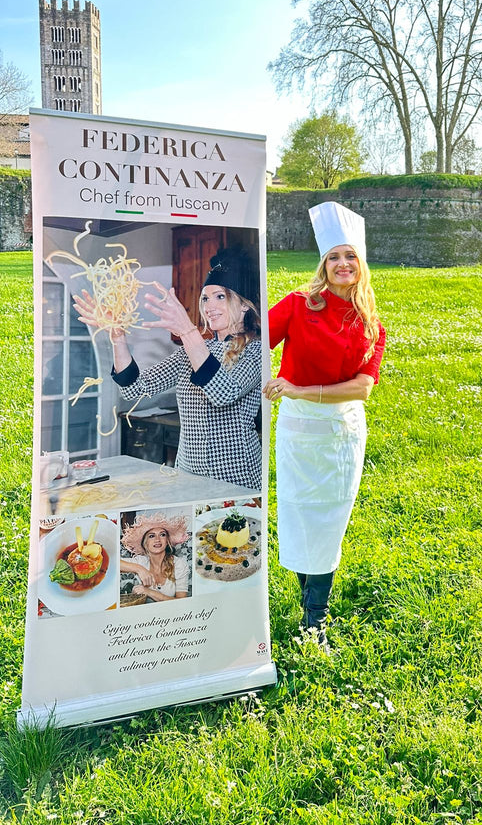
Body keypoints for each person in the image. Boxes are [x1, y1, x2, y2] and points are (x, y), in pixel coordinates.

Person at [264, 202, 386, 651]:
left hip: (342, 431)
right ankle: (307, 602)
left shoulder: (371, 323)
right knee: (299, 516)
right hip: (300, 430)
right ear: (323, 264)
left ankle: (316, 619)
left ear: (361, 265)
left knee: (330, 521)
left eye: (350, 257)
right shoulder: (299, 305)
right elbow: (256, 339)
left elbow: (361, 388)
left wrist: (298, 389)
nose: (342, 264)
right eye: (334, 257)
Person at [73, 245, 262, 490]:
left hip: (237, 476)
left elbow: (222, 393)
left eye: (220, 296)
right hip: (188, 474)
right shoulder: (189, 352)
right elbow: (135, 389)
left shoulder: (256, 351)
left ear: (244, 304)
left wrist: (187, 331)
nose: (209, 306)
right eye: (205, 297)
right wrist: (117, 336)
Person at [120, 511, 190, 602]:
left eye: (162, 535)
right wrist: (139, 569)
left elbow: (182, 602)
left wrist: (149, 592)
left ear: (167, 541)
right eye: (152, 536)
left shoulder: (179, 564)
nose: (157, 540)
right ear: (145, 544)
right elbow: (114, 563)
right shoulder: (141, 562)